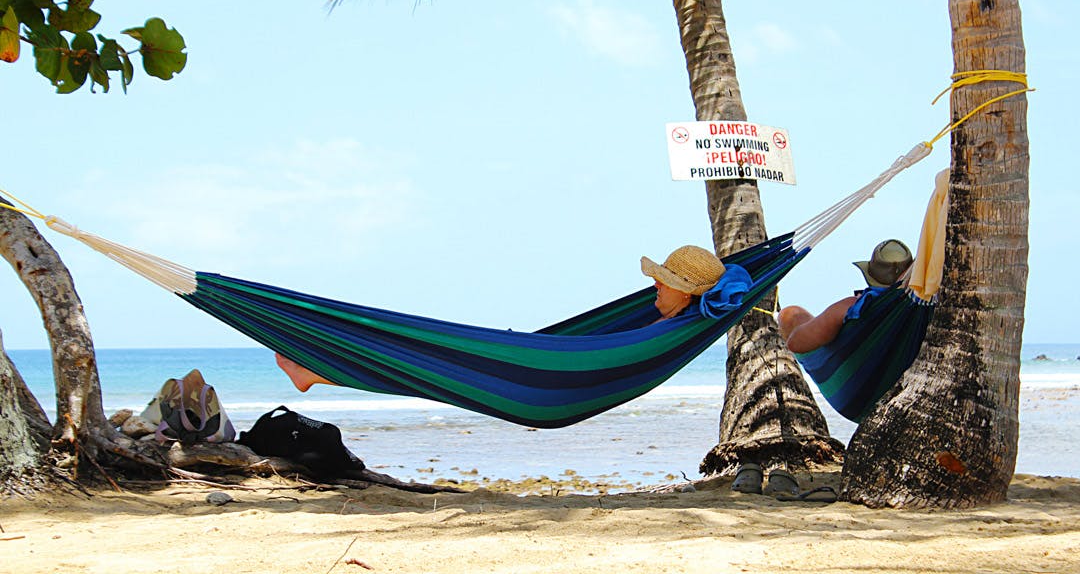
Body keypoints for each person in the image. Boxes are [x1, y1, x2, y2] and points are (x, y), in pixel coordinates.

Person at [277, 244, 727, 391]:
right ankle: (317, 372)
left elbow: (610, 352)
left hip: (549, 385)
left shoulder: (668, 330)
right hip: (539, 372)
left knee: (437, 371)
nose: (655, 286)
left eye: (663, 283)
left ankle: (317, 372)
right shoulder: (668, 323)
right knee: (433, 373)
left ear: (687, 293)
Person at [778, 238, 914, 354]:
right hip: (894, 350)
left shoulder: (853, 307)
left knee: (789, 314)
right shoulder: (920, 304)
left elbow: (795, 343)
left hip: (850, 364)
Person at [640, 244, 726, 321]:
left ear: (687, 293)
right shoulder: (648, 319)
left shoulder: (677, 331)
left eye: (665, 282)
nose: (656, 285)